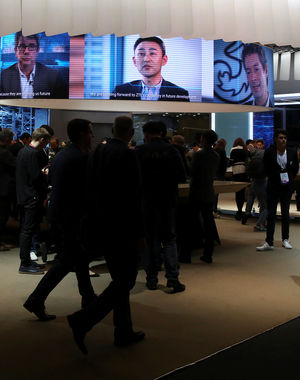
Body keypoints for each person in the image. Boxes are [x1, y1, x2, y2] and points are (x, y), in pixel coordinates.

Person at [67, 116, 144, 354]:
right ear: (131, 132)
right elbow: (132, 197)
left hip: (100, 225)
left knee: (119, 278)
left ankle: (123, 330)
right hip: (122, 227)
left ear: (112, 129)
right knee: (126, 280)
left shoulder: (96, 152)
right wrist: (139, 231)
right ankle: (84, 320)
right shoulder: (128, 155)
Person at [23, 120, 97, 320]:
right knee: (67, 261)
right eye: (90, 132)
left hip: (61, 215)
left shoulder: (62, 155)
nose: (92, 136)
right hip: (73, 217)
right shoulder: (81, 158)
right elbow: (85, 192)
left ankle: (88, 299)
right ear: (82, 134)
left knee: (77, 259)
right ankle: (36, 299)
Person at [136, 121, 187, 291]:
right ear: (163, 133)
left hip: (147, 201)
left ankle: (151, 279)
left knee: (150, 240)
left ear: (147, 134)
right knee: (170, 240)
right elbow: (182, 176)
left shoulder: (140, 151)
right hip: (167, 200)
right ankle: (173, 278)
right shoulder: (172, 150)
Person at [15, 127, 52, 274]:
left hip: (23, 195)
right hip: (31, 196)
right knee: (27, 231)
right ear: (42, 140)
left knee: (26, 229)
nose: (46, 146)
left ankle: (27, 261)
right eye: (46, 143)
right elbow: (35, 177)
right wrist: (45, 174)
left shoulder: (23, 151)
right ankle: (24, 263)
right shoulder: (33, 154)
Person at [111, 37, 189, 102]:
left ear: (164, 60)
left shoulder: (180, 94)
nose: (146, 59)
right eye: (141, 54)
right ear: (134, 61)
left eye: (152, 53)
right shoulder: (120, 91)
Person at [257, 129, 299, 251]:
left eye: (285, 138)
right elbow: (266, 168)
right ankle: (269, 241)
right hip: (273, 186)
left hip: (286, 186)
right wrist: (275, 176)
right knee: (271, 213)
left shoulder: (291, 152)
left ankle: (285, 239)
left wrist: (289, 178)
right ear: (275, 139)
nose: (283, 140)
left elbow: (295, 168)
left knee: (285, 214)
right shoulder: (269, 152)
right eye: (280, 138)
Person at [0, 33, 68, 99]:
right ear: (15, 51)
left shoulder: (54, 76)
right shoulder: (3, 76)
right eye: (22, 46)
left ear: (37, 51)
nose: (26, 51)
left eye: (31, 46)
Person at [189, 130, 221, 263]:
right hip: (208, 191)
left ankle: (185, 253)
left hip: (196, 191)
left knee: (190, 223)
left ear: (203, 139)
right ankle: (208, 254)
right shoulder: (215, 155)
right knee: (208, 224)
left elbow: (193, 172)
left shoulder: (199, 154)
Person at [245, 140, 267, 229]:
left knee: (251, 196)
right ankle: (260, 223)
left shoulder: (252, 156)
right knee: (264, 204)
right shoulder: (265, 153)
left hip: (254, 181)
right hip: (263, 180)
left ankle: (247, 212)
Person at [229, 138, 249, 221]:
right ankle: (242, 210)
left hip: (236, 171)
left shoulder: (233, 150)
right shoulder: (245, 150)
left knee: (237, 191)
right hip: (244, 170)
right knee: (242, 190)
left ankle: (239, 210)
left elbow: (231, 161)